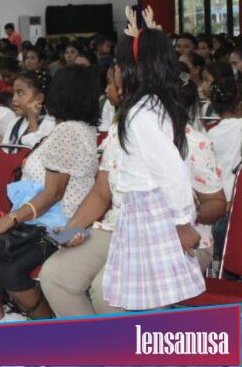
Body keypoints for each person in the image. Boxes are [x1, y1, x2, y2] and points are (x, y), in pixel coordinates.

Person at [41, 26, 216, 316]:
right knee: (56, 276)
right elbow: (101, 191)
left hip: (159, 227)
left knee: (106, 293)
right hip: (122, 224)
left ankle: (121, 350)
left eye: (118, 65)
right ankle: (96, 351)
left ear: (132, 70)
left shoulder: (147, 118)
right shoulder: (129, 121)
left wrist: (183, 225)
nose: (113, 72)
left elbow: (175, 175)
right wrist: (72, 228)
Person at [0, 66, 100, 323]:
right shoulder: (76, 129)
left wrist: (8, 220)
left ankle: (43, 329)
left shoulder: (69, 132)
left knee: (7, 267)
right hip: (37, 219)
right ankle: (3, 322)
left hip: (52, 225)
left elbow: (52, 194)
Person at [204, 62, 242, 201]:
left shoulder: (207, 132)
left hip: (217, 195)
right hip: (237, 193)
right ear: (239, 103)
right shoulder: (239, 126)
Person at [3, 70, 55, 147]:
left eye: (20, 93)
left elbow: (41, 154)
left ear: (39, 98)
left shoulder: (51, 124)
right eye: (13, 93)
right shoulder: (14, 123)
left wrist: (33, 121)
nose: (14, 99)